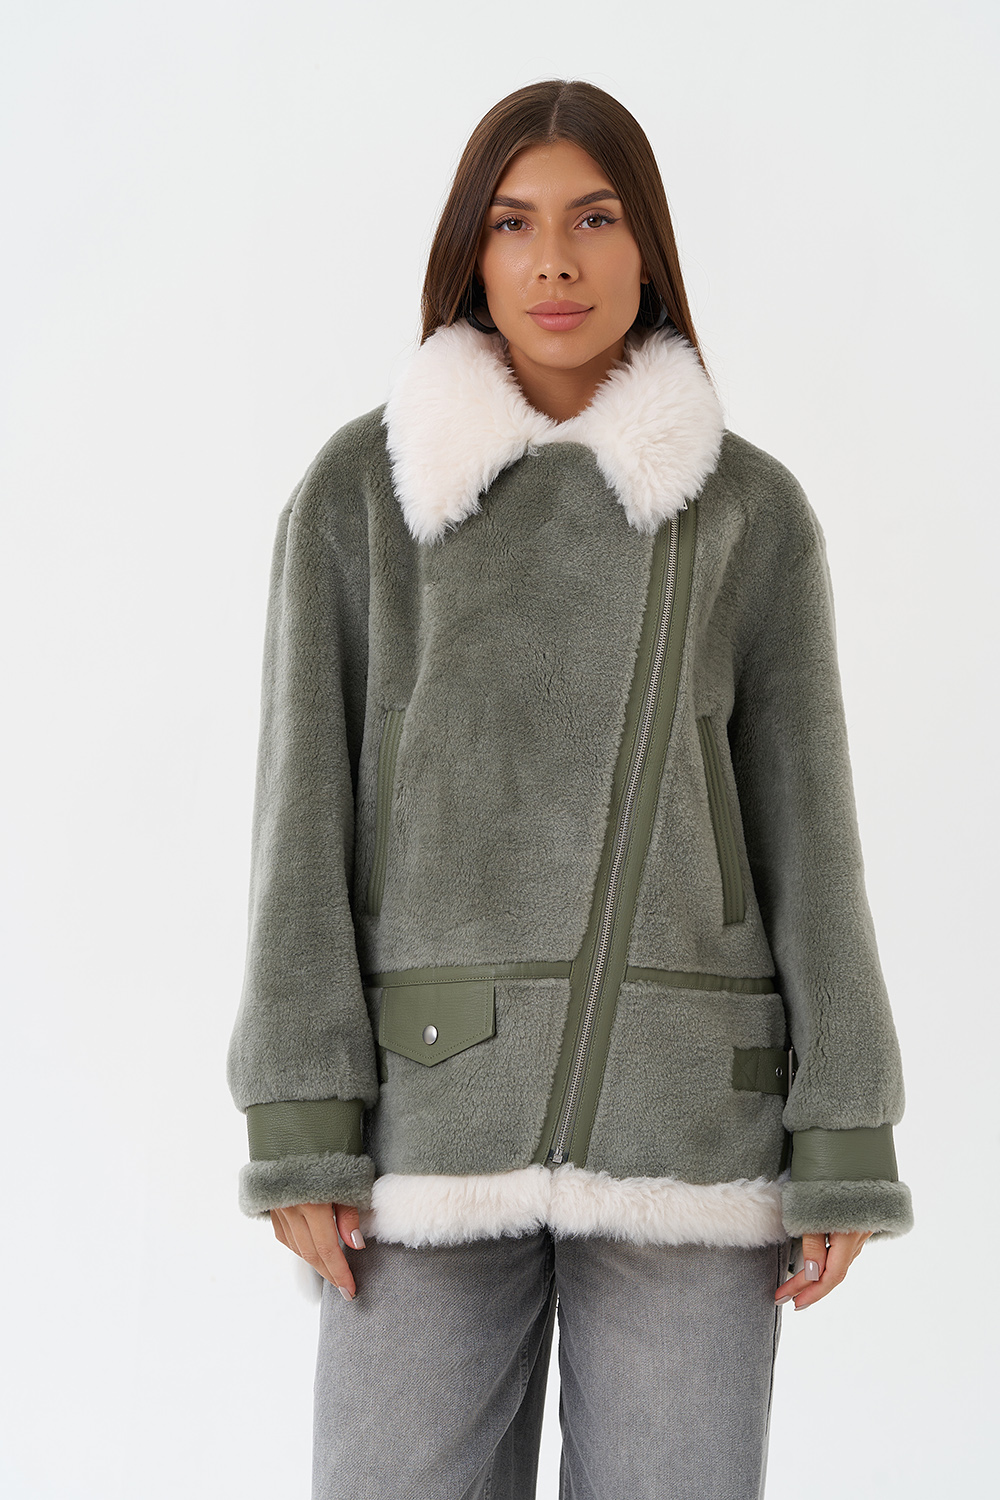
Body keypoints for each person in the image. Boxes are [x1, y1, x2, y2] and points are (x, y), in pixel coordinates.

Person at [226, 78, 913, 1499]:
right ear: (469, 255)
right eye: (514, 223)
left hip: (692, 1128)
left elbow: (812, 841)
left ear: (646, 245)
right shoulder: (363, 495)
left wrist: (844, 1129)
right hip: (426, 1128)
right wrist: (301, 1122)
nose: (554, 262)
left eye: (594, 220)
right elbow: (300, 828)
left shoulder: (749, 511)